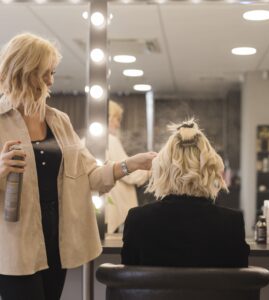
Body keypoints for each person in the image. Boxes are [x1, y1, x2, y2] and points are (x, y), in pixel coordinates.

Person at [0, 33, 156, 300]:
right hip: (14, 246)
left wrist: (130, 164)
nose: (51, 81)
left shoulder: (58, 121)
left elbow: (90, 176)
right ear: (23, 72)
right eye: (44, 73)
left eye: (53, 72)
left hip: (55, 240)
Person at [121, 120, 250, 268]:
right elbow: (239, 284)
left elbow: (128, 280)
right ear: (209, 168)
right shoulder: (232, 223)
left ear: (163, 168)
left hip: (154, 293)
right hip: (210, 292)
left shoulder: (138, 220)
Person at [105, 100, 150, 234]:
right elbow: (129, 174)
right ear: (108, 117)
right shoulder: (110, 141)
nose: (118, 125)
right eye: (116, 119)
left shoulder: (87, 140)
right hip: (115, 206)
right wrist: (149, 169)